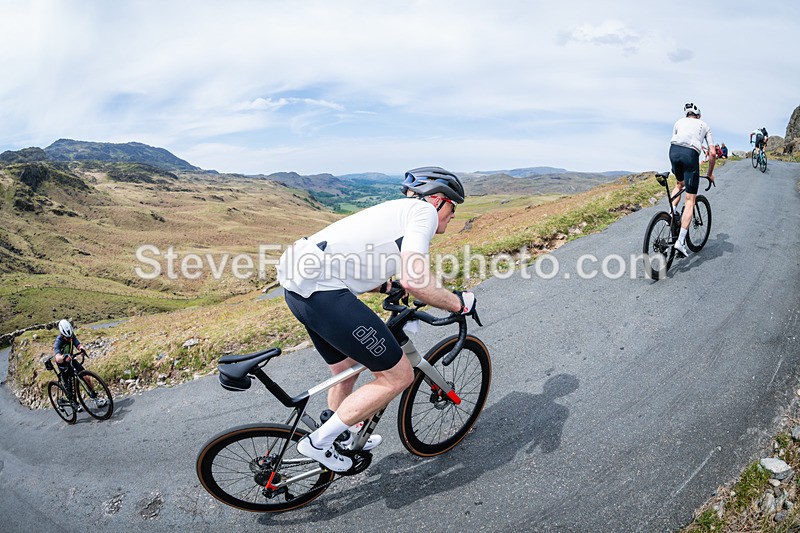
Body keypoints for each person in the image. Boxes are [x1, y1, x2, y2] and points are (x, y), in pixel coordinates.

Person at [277, 166, 476, 472]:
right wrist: (458, 304)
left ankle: (341, 433)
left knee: (345, 368)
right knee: (398, 377)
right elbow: (416, 280)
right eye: (453, 206)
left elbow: (350, 259)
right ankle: (318, 443)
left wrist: (386, 286)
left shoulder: (395, 212)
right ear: (436, 200)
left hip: (298, 289)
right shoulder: (421, 214)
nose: (454, 214)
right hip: (321, 291)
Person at [668, 103, 716, 258]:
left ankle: (670, 213)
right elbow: (713, 153)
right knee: (690, 200)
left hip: (673, 151)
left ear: (686, 115)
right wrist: (709, 174)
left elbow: (678, 139)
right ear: (699, 116)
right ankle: (680, 242)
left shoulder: (678, 122)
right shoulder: (704, 125)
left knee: (679, 184)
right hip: (690, 155)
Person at [53, 319, 106, 407]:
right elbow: (57, 358)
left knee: (86, 378)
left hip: (71, 360)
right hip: (63, 365)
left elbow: (78, 344)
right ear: (62, 335)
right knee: (70, 389)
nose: (70, 339)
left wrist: (82, 349)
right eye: (68, 338)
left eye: (71, 337)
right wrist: (63, 357)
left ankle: (96, 399)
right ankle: (72, 403)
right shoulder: (58, 342)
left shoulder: (71, 335)